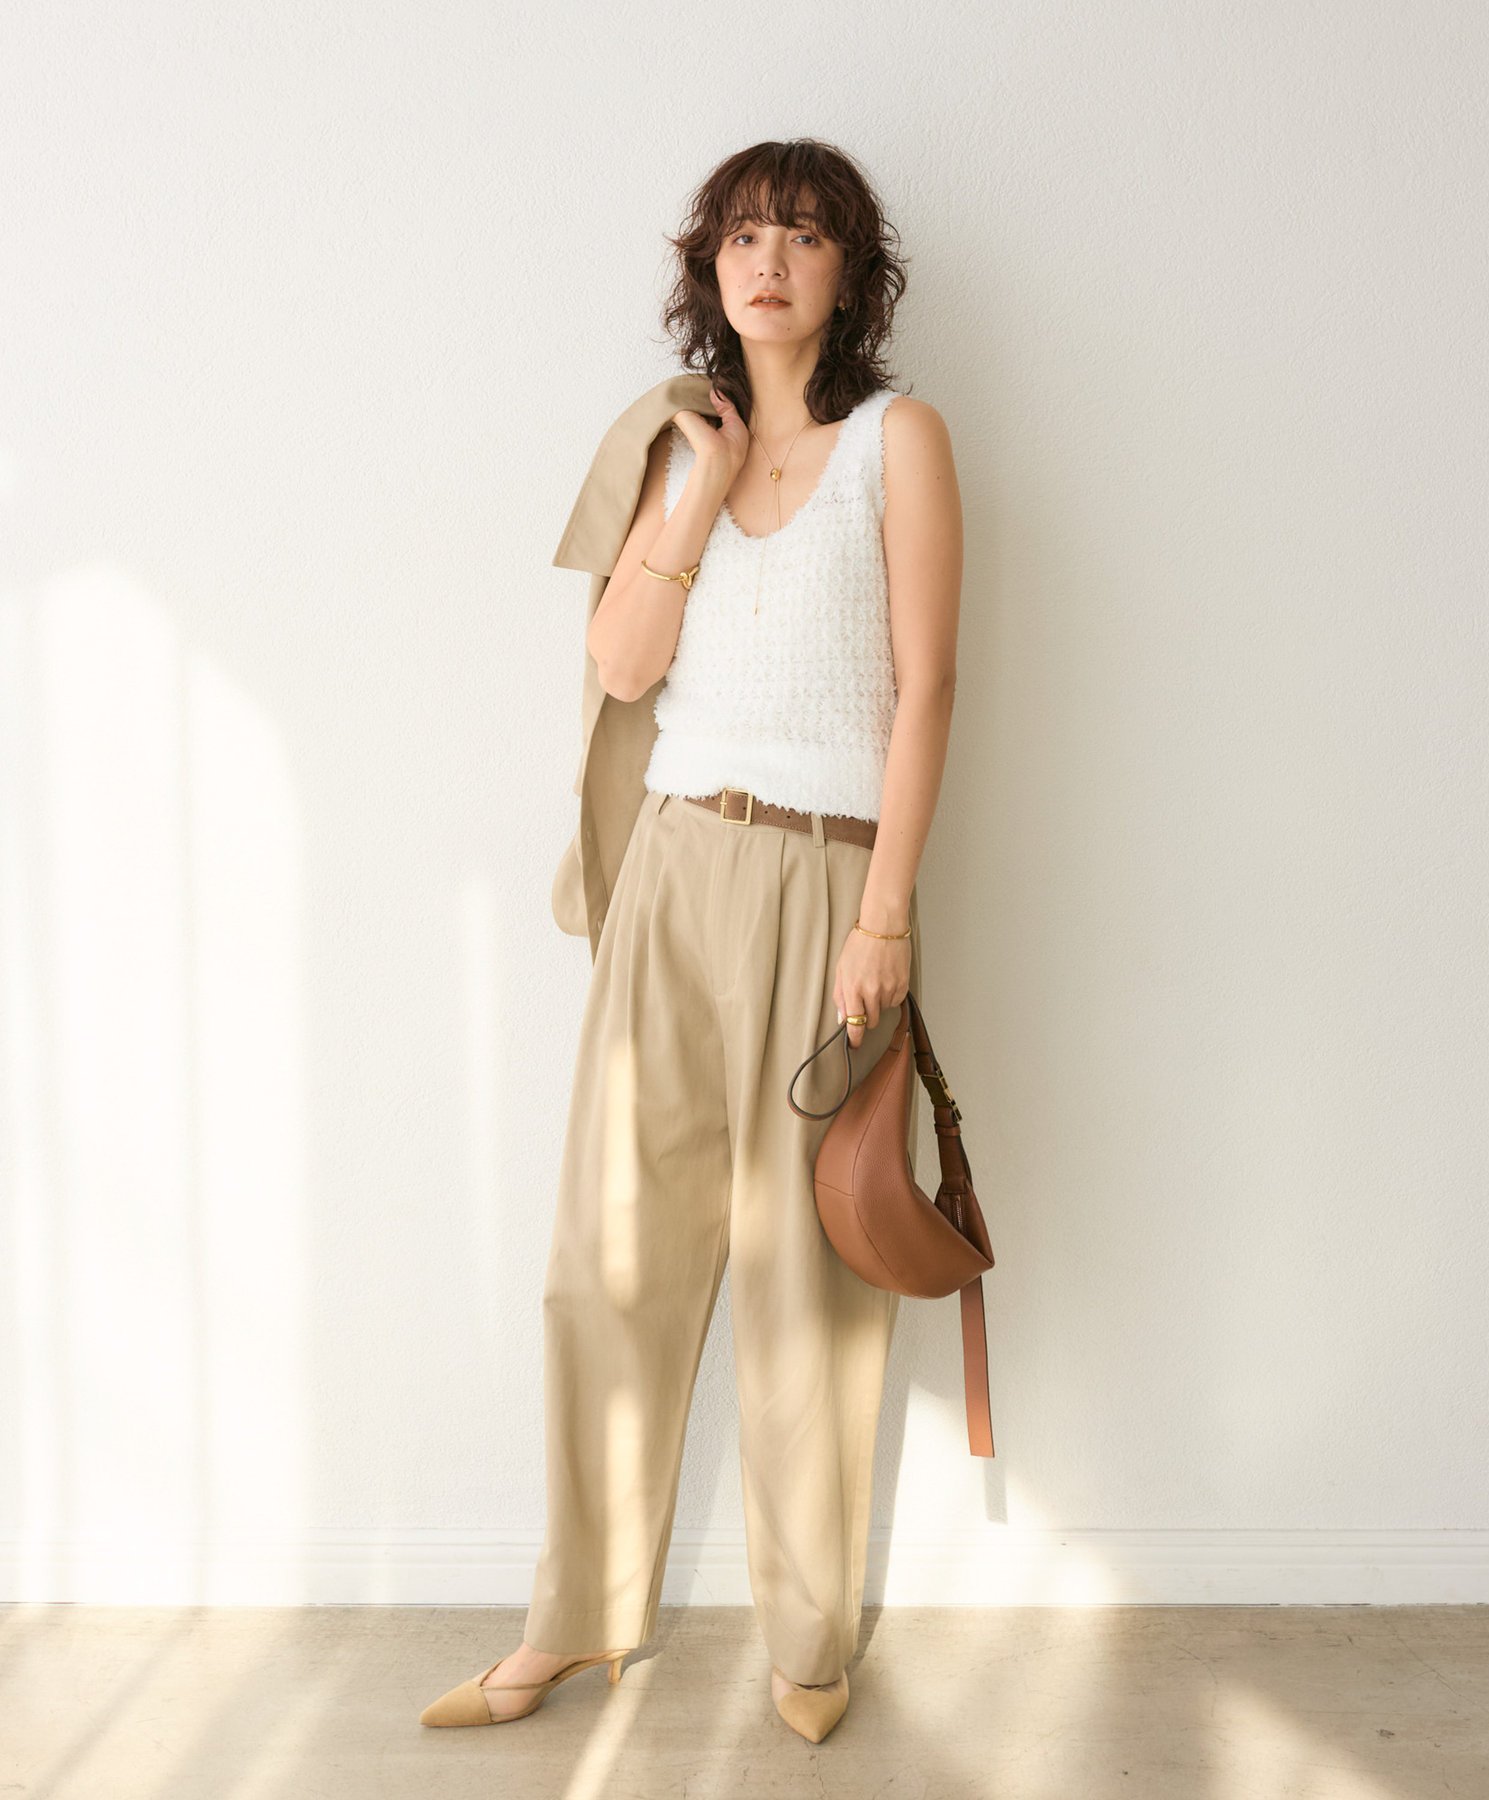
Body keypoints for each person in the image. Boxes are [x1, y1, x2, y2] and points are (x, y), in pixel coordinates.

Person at [421, 136, 962, 1745]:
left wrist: (884, 914)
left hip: (825, 882)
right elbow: (623, 663)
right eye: (742, 236)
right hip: (672, 866)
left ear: (851, 273)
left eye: (804, 235)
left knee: (806, 1279)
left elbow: (928, 689)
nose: (769, 261)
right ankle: (574, 1621)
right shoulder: (682, 447)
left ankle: (807, 1639)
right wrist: (702, 495)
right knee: (611, 1257)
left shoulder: (899, 441)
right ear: (707, 267)